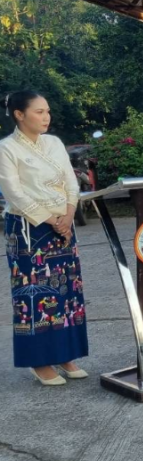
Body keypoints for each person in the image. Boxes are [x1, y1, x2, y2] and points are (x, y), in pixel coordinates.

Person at [0, 91, 89, 386]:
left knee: (67, 292)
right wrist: (52, 219)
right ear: (19, 114)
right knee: (35, 295)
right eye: (39, 112)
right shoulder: (7, 148)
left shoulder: (54, 143)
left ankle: (65, 354)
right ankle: (39, 361)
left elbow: (70, 181)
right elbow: (14, 193)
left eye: (47, 111)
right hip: (29, 229)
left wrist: (69, 213)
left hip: (63, 225)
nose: (46, 117)